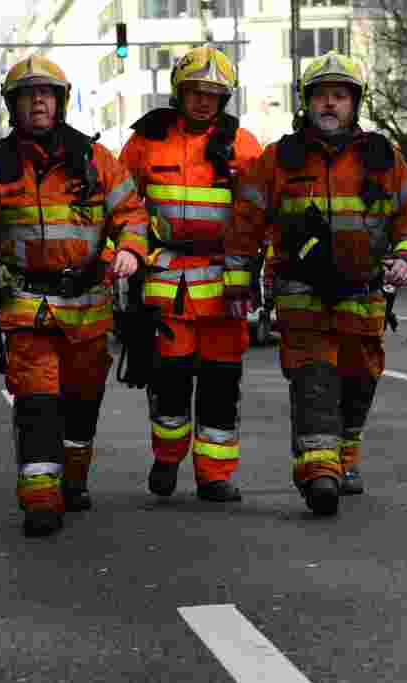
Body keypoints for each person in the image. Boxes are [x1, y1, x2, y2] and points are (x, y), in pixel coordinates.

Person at [0, 55, 149, 537]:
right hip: (27, 308)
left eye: (46, 94)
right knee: (37, 403)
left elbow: (133, 214)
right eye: (27, 95)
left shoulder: (96, 161)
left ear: (60, 101)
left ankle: (72, 480)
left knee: (81, 403)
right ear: (12, 105)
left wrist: (131, 250)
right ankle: (40, 495)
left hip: (87, 309)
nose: (37, 102)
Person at [225, 51, 407, 515]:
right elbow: (246, 221)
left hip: (363, 291)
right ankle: (319, 471)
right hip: (302, 293)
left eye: (340, 96)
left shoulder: (383, 157)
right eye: (322, 96)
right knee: (313, 377)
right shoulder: (279, 158)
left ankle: (345, 456)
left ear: (355, 103)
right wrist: (239, 284)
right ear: (307, 103)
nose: (330, 104)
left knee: (359, 377)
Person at [119, 46, 263, 503]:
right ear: (179, 93)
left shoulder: (243, 145)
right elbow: (124, 206)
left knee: (222, 383)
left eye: (213, 94)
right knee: (170, 380)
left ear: (225, 98)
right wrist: (125, 254)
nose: (204, 101)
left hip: (225, 281)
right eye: (196, 92)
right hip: (167, 279)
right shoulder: (147, 141)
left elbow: (261, 211)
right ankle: (166, 457)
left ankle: (215, 475)